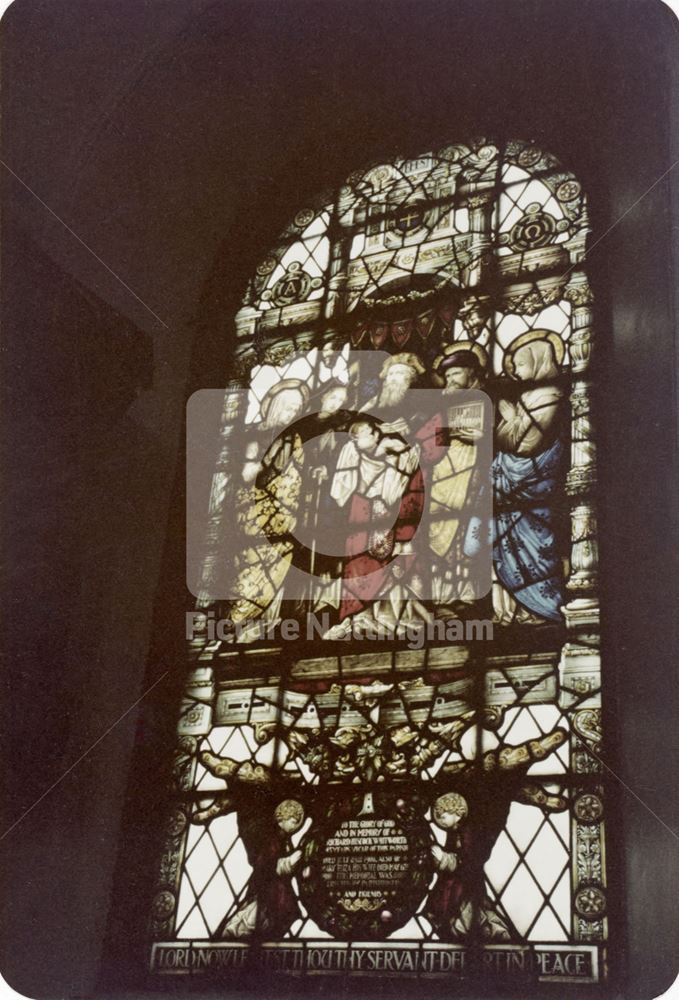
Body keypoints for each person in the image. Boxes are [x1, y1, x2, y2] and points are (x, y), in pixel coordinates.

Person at [492, 334, 566, 623]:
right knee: (507, 541)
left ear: (538, 361)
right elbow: (509, 439)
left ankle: (542, 608)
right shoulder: (528, 397)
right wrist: (511, 421)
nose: (518, 373)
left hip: (535, 481)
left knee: (538, 543)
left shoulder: (549, 396)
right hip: (515, 479)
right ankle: (514, 609)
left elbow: (527, 444)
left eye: (521, 365)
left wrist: (510, 419)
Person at [227, 380, 309, 639]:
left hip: (281, 512)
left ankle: (260, 621)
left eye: (296, 409)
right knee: (245, 560)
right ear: (274, 405)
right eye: (288, 407)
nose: (291, 413)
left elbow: (297, 476)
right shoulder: (249, 434)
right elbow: (242, 474)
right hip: (246, 507)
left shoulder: (292, 439)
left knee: (281, 554)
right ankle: (236, 616)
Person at [428, 345, 490, 611]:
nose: (450, 380)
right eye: (448, 376)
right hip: (443, 468)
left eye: (455, 374)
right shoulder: (442, 403)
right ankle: (442, 595)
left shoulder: (482, 399)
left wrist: (456, 429)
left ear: (470, 372)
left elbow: (480, 434)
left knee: (463, 528)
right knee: (436, 524)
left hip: (468, 464)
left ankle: (465, 592)